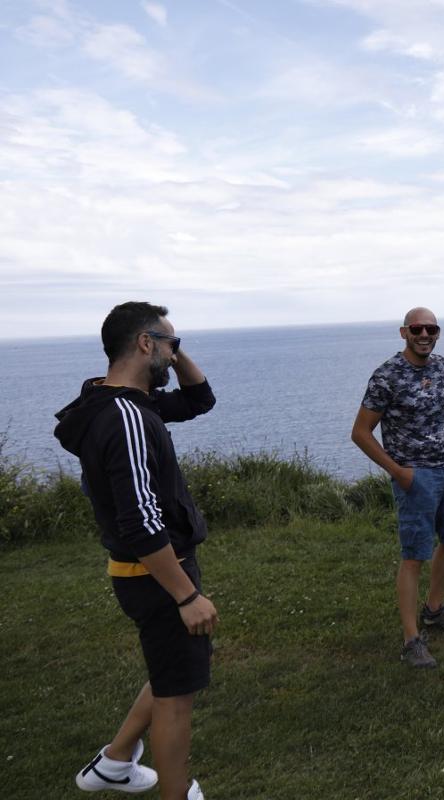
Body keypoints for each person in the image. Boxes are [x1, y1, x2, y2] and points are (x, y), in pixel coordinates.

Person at [54, 302, 218, 800]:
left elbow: (200, 400)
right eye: (168, 343)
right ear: (145, 344)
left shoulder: (115, 401)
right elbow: (142, 521)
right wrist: (187, 596)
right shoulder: (126, 416)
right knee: (175, 696)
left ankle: (115, 762)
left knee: (171, 670)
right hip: (155, 574)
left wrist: (176, 344)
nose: (174, 353)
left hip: (141, 572)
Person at [351, 307, 444, 670]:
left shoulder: (441, 366)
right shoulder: (386, 376)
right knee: (414, 555)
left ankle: (434, 610)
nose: (425, 334)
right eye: (417, 329)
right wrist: (400, 473)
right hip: (415, 476)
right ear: (404, 332)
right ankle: (411, 639)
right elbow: (360, 433)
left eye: (431, 329)